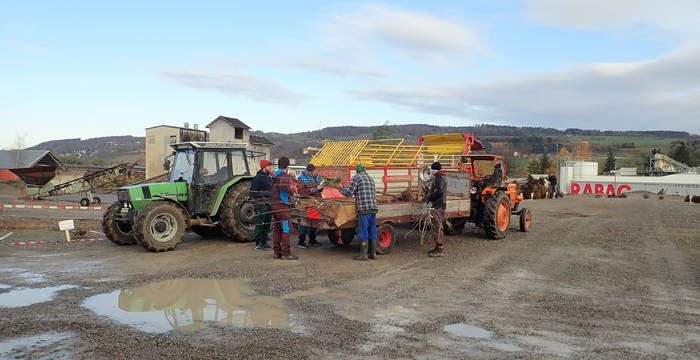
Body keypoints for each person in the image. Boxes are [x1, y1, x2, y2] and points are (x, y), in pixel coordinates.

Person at [338, 164, 378, 261]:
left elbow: (348, 193)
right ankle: (373, 253)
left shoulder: (356, 178)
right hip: (373, 208)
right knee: (372, 230)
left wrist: (339, 188)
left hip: (364, 209)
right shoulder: (370, 178)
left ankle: (363, 255)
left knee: (363, 231)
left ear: (357, 171)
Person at [270, 157, 298, 260]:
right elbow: (283, 186)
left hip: (274, 205)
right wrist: (292, 192)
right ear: (287, 166)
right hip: (282, 206)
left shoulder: (275, 175)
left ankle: (277, 252)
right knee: (286, 229)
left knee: (277, 229)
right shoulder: (283, 175)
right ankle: (286, 253)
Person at [297, 164, 323, 248]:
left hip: (316, 202)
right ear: (307, 171)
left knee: (315, 222)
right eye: (311, 172)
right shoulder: (301, 178)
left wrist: (321, 187)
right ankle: (301, 241)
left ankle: (312, 240)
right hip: (307, 203)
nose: (312, 173)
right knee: (305, 222)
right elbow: (300, 191)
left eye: (313, 171)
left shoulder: (316, 177)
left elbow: (320, 187)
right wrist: (313, 189)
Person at [250, 159, 273, 250]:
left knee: (267, 224)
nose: (270, 167)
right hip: (261, 205)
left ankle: (264, 241)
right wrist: (259, 201)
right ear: (264, 167)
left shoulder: (269, 177)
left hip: (268, 204)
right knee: (260, 224)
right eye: (269, 166)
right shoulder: (257, 178)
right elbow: (253, 193)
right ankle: (258, 243)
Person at [426, 162, 447, 257]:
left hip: (438, 205)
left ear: (435, 169)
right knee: (437, 225)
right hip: (441, 204)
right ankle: (437, 246)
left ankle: (439, 248)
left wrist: (429, 198)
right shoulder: (443, 177)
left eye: (432, 169)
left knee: (436, 226)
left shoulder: (438, 177)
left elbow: (438, 192)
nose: (431, 171)